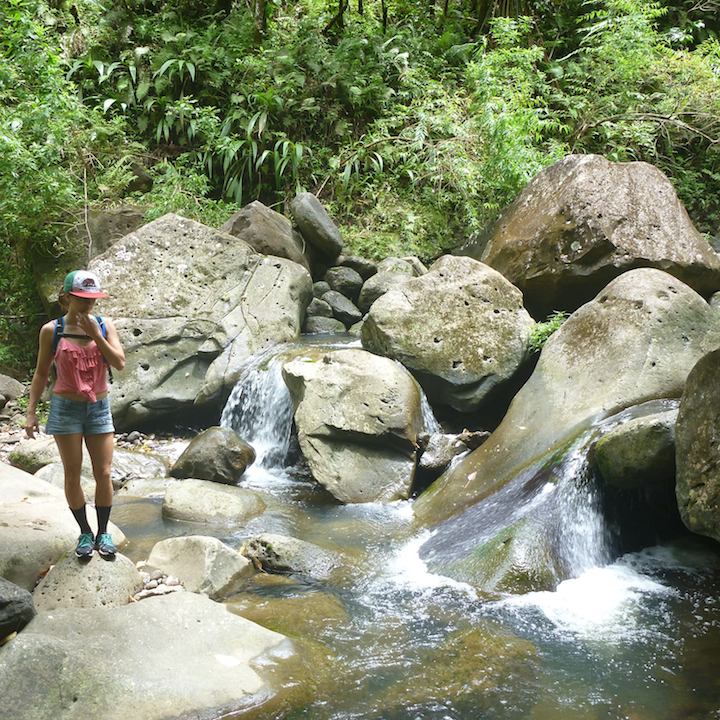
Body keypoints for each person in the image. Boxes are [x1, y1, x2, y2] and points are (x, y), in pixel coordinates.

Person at [24, 270, 125, 559]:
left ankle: (103, 532)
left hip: (99, 408)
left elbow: (118, 362)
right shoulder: (51, 330)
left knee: (104, 472)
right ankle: (84, 532)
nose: (88, 304)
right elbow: (42, 373)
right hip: (65, 409)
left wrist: (95, 334)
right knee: (71, 474)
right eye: (81, 298)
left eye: (92, 299)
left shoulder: (105, 325)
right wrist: (31, 412)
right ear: (66, 297)